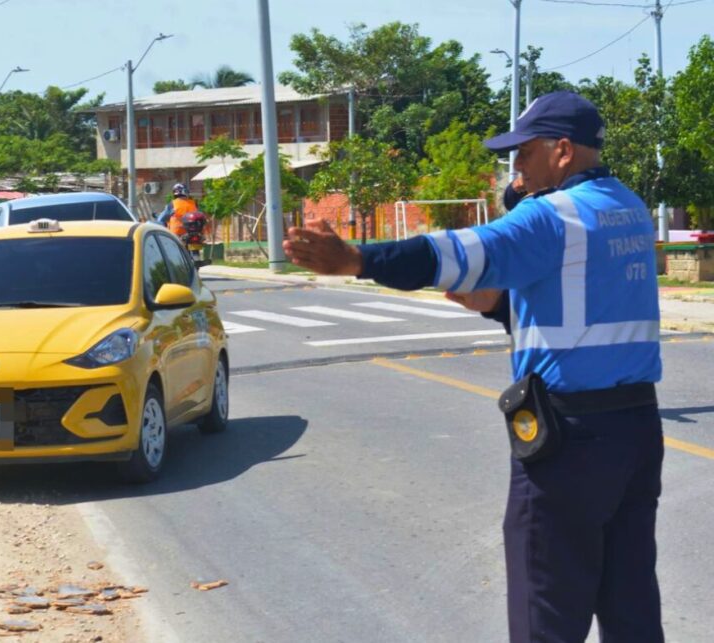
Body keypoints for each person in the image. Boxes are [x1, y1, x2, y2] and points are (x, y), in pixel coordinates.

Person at [284, 91, 664, 643]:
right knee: (629, 602)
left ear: (561, 151)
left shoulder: (552, 216)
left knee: (546, 610)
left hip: (571, 443)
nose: (515, 169)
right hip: (636, 430)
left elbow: (454, 252)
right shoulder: (626, 205)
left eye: (523, 154)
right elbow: (589, 309)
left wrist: (358, 260)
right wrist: (498, 305)